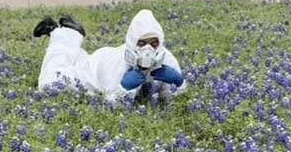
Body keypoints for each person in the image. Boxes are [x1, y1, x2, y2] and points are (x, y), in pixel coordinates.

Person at [34, 9, 185, 101]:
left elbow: (170, 98)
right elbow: (112, 103)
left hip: (104, 58)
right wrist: (124, 88)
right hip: (96, 69)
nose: (148, 50)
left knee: (78, 59)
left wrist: (178, 84)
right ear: (132, 43)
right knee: (50, 82)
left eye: (153, 44)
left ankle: (71, 33)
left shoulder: (166, 57)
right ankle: (63, 33)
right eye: (141, 43)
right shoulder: (120, 64)